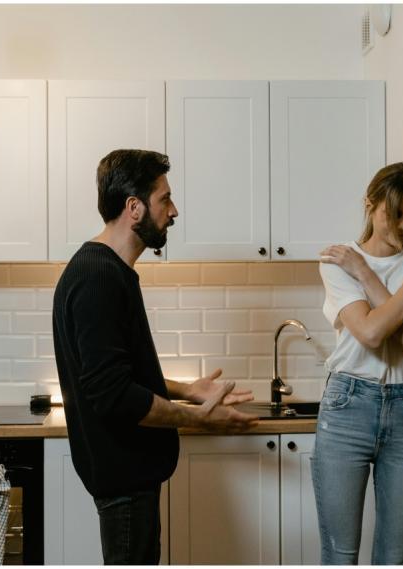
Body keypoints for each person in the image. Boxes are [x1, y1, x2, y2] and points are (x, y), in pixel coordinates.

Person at [52, 149, 258, 565]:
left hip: (129, 478)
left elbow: (119, 374)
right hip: (124, 481)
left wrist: (188, 390)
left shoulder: (106, 270)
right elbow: (114, 396)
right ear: (134, 208)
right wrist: (196, 418)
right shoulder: (98, 278)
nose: (174, 210)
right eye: (164, 199)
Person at [313, 162, 403, 564]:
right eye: (394, 214)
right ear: (370, 206)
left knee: (395, 557)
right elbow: (371, 333)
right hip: (347, 407)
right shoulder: (338, 261)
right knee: (341, 555)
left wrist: (368, 276)